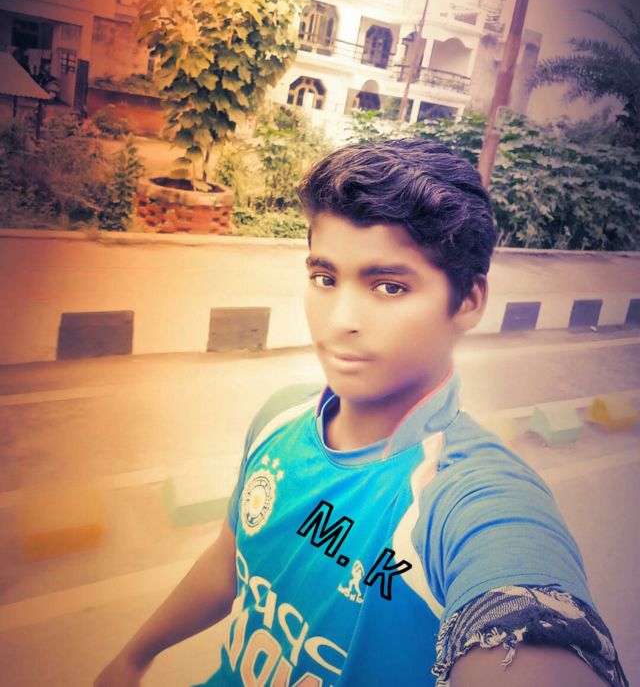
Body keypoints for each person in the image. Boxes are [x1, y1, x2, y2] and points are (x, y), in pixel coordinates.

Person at [96, 139, 628, 686]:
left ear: (468, 299)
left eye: (389, 287)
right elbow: (233, 557)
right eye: (325, 279)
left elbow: (526, 612)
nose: (339, 319)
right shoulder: (279, 420)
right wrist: (135, 655)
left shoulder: (466, 502)